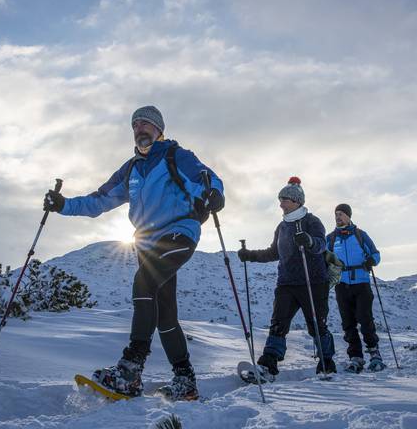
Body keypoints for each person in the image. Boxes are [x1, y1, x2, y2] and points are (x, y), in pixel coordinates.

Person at [44, 105, 224, 400]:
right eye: (136, 125)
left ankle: (130, 369)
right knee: (165, 315)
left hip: (179, 233)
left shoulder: (175, 155)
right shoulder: (130, 169)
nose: (140, 128)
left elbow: (207, 177)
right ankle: (185, 380)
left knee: (144, 283)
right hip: (146, 243)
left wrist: (214, 193)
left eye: (146, 124)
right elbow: (99, 200)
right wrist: (63, 205)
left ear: (159, 129)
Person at [238, 177, 336, 381]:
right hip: (286, 283)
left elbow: (320, 245)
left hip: (313, 282)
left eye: (285, 200)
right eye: (280, 200)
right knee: (278, 323)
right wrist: (250, 255)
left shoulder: (312, 221)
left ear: (297, 202)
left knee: (317, 324)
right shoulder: (282, 227)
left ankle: (327, 362)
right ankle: (268, 365)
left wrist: (309, 241)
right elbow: (274, 252)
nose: (281, 204)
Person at [327, 203, 384, 373]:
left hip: (361, 282)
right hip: (341, 284)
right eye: (336, 214)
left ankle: (374, 354)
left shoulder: (360, 235)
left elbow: (376, 254)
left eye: (342, 214)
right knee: (348, 322)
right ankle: (355, 357)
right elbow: (324, 257)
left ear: (349, 216)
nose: (338, 217)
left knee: (365, 318)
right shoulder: (330, 238)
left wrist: (371, 261)